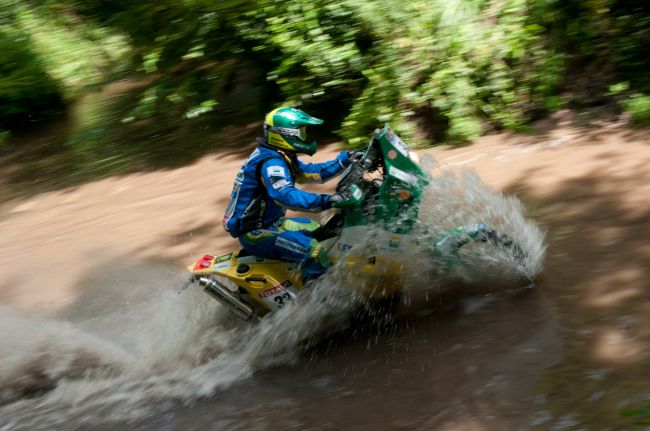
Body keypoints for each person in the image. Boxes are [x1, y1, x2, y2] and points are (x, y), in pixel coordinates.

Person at [222, 107, 362, 278]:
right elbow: (285, 196)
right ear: (285, 134)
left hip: (273, 223)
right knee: (312, 249)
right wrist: (328, 200)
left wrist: (347, 159)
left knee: (320, 230)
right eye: (301, 132)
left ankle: (297, 273)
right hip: (256, 233)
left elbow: (313, 172)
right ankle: (319, 299)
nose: (304, 136)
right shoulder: (271, 162)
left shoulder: (279, 155)